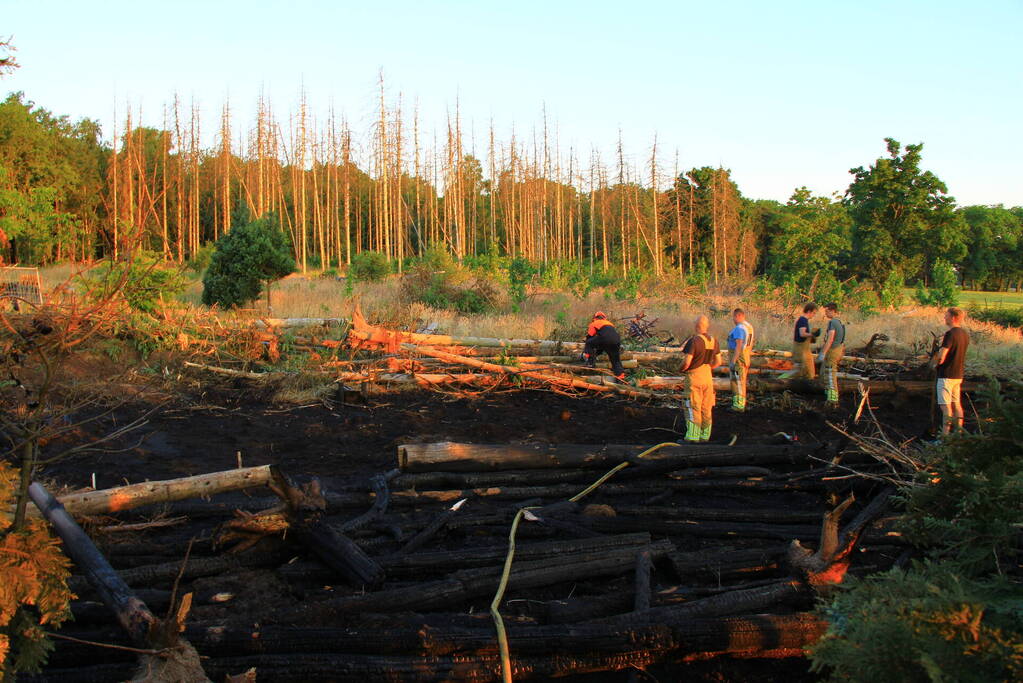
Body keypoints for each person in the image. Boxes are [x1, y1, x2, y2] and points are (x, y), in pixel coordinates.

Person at [680, 314, 722, 442]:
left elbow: (687, 362)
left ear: (696, 325)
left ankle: (692, 437)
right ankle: (705, 436)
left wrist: (681, 369)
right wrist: (708, 368)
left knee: (692, 406)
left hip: (695, 377)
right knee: (706, 407)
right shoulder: (714, 341)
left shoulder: (694, 341)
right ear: (707, 326)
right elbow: (719, 361)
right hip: (707, 377)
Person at [929, 307, 969, 435]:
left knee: (945, 407)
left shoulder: (950, 334)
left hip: (946, 375)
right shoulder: (964, 334)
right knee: (957, 405)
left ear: (953, 317)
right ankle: (958, 434)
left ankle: (944, 438)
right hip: (958, 375)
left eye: (946, 315)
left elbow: (942, 357)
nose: (944, 318)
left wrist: (934, 365)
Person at [582, 311, 626, 380]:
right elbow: (605, 340)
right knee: (615, 359)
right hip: (616, 340)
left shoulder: (594, 323)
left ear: (595, 318)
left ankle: (589, 361)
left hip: (605, 339)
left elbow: (590, 336)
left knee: (589, 342)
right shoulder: (609, 323)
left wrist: (586, 350)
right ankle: (621, 376)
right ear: (604, 317)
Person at [727, 308, 754, 411]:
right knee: (742, 381)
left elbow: (738, 345)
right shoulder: (749, 326)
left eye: (734, 317)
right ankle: (741, 403)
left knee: (737, 381)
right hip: (745, 356)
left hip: (738, 358)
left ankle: (738, 405)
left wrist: (733, 361)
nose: (733, 319)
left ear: (738, 316)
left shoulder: (739, 328)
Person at [817, 303, 845, 405]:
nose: (825, 313)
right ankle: (828, 395)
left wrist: (822, 353)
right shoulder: (840, 322)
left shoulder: (832, 322)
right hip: (838, 349)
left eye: (827, 311)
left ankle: (833, 400)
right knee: (823, 373)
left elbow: (830, 339)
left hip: (832, 351)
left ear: (833, 311)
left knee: (829, 375)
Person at [793, 303, 819, 379]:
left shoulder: (803, 320)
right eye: (813, 313)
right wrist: (812, 334)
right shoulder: (803, 320)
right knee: (804, 371)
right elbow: (802, 334)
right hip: (801, 350)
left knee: (801, 371)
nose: (814, 315)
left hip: (803, 349)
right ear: (809, 311)